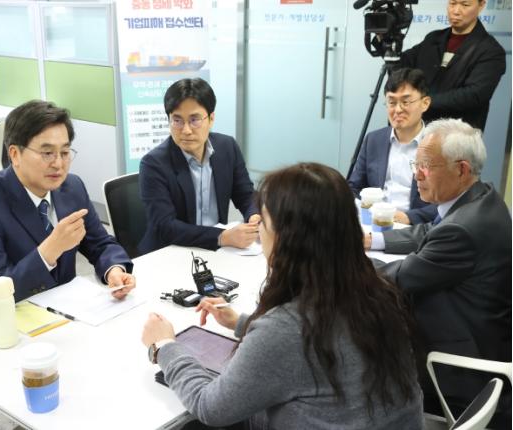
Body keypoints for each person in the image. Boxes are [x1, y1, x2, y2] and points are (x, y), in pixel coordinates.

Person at [142, 163, 423, 429]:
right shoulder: (378, 289)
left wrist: (164, 346)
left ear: (287, 239)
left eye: (263, 223)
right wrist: (242, 322)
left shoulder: (287, 328)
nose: (258, 234)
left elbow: (210, 408)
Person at [364, 118, 511, 427]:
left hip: (458, 368)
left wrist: (343, 260)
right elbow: (430, 231)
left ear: (462, 169)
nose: (416, 174)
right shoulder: (480, 198)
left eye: (426, 166)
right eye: (416, 164)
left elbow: (399, 278)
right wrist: (371, 240)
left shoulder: (462, 230)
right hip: (486, 337)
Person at [0, 100, 135, 316]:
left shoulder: (72, 187)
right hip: (8, 318)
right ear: (14, 154)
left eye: (65, 152)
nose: (58, 164)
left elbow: (100, 244)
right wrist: (49, 251)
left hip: (64, 310)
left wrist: (114, 269)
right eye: (47, 153)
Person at [138, 78, 259, 255]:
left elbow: (246, 195)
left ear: (211, 119)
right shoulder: (153, 164)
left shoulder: (227, 147)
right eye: (177, 120)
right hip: (170, 251)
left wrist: (254, 216)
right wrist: (222, 237)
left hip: (217, 251)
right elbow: (165, 226)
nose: (186, 130)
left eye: (194, 120)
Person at [398, 0, 506, 131]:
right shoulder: (433, 38)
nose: (456, 11)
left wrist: (422, 102)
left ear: (481, 5)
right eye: (452, 3)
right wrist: (385, 42)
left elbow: (474, 95)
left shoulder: (491, 50)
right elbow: (401, 66)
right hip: (416, 130)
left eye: (465, 5)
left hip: (457, 135)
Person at [348, 68, 437, 225]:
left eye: (405, 102)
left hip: (415, 228)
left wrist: (409, 217)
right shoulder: (374, 140)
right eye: (392, 102)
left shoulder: (438, 144)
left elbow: (449, 200)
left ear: (425, 103)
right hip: (374, 222)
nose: (397, 110)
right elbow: (354, 188)